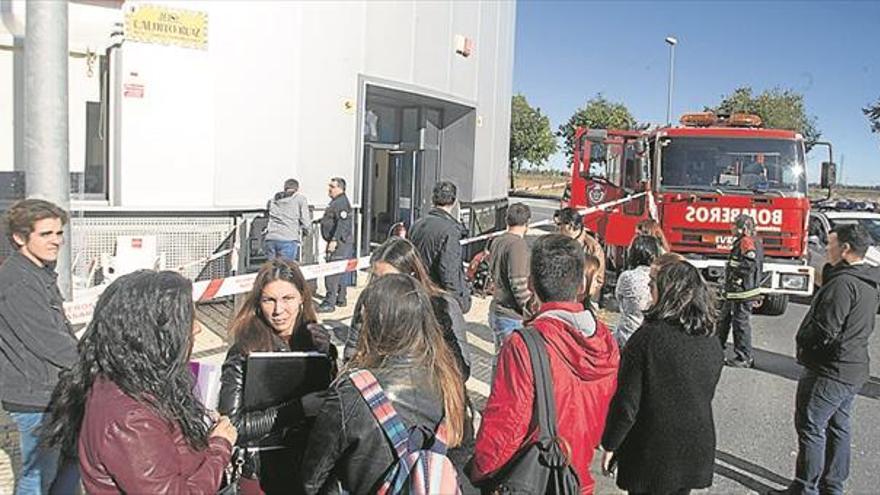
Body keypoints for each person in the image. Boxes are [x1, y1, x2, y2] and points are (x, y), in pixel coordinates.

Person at [42, 270, 237, 493]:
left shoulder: (135, 380)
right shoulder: (130, 418)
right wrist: (220, 447)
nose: (198, 328)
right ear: (152, 331)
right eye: (187, 320)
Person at [468, 234, 620, 494]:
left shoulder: (525, 345)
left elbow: (507, 425)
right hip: (576, 478)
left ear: (530, 283)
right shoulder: (605, 341)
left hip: (532, 480)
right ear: (580, 286)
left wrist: (477, 470)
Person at [301, 274, 466, 494]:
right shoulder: (448, 380)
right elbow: (461, 457)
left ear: (375, 322)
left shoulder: (354, 391)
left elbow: (311, 480)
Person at [769, 225, 880, 495]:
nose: (826, 249)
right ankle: (833, 485)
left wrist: (804, 343)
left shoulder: (844, 285)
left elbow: (825, 330)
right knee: (838, 426)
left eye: (830, 245)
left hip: (831, 369)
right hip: (852, 368)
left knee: (811, 425)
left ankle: (806, 487)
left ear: (845, 249)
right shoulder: (865, 281)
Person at [601, 261, 724, 495]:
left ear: (668, 293)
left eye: (653, 286)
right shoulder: (711, 341)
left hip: (652, 449)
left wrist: (611, 443)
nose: (649, 291)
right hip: (695, 445)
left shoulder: (646, 339)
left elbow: (627, 404)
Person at [218, 259, 337, 494]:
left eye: (287, 299)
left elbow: (338, 410)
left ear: (302, 297)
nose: (278, 310)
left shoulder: (318, 342)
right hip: (260, 473)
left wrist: (330, 359)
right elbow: (231, 427)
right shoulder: (244, 350)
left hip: (309, 471)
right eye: (269, 300)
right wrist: (297, 409)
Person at [0, 199, 80, 494]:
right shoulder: (18, 282)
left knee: (70, 463)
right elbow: (49, 341)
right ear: (20, 238)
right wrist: (97, 365)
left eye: (59, 233)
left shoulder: (39, 273)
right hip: (36, 396)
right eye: (45, 234)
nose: (56, 241)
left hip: (54, 390)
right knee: (38, 475)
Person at [343, 237, 471, 380]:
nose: (379, 286)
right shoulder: (367, 301)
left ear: (411, 276)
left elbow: (461, 369)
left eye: (388, 280)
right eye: (375, 277)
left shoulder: (442, 305)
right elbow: (351, 353)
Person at [409, 181, 472, 313]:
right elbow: (449, 271)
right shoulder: (450, 231)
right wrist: (456, 303)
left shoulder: (417, 224)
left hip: (418, 292)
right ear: (454, 201)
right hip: (438, 298)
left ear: (433, 199)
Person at [717, 214, 763, 368]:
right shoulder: (748, 241)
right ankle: (717, 349)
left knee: (740, 323)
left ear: (743, 228)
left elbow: (749, 265)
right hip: (737, 291)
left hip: (742, 291)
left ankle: (744, 357)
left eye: (734, 226)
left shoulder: (746, 242)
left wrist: (733, 271)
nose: (731, 228)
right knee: (724, 319)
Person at [487, 202, 534, 355]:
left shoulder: (498, 241)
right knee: (510, 364)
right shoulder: (517, 245)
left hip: (497, 309)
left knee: (499, 362)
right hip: (511, 314)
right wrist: (530, 310)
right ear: (527, 223)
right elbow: (518, 284)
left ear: (507, 220)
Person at [615, 235, 663, 348]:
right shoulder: (663, 277)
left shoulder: (627, 277)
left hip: (627, 335)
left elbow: (619, 299)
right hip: (652, 337)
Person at [554, 207, 606, 306]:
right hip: (560, 297)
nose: (558, 228)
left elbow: (599, 279)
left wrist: (585, 297)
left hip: (584, 300)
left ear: (570, 226)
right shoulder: (557, 241)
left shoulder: (593, 247)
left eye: (560, 224)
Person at [317, 177, 354, 313]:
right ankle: (341, 298)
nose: (329, 189)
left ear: (340, 188)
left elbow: (342, 223)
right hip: (340, 241)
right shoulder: (336, 202)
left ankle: (330, 301)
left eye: (332, 187)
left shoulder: (341, 203)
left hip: (339, 243)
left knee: (332, 270)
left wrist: (334, 241)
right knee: (339, 269)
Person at [265, 178, 311, 262]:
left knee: (272, 271)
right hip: (288, 239)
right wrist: (307, 231)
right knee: (285, 270)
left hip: (271, 238)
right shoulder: (300, 199)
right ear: (297, 188)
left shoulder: (273, 200)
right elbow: (305, 221)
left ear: (284, 187)